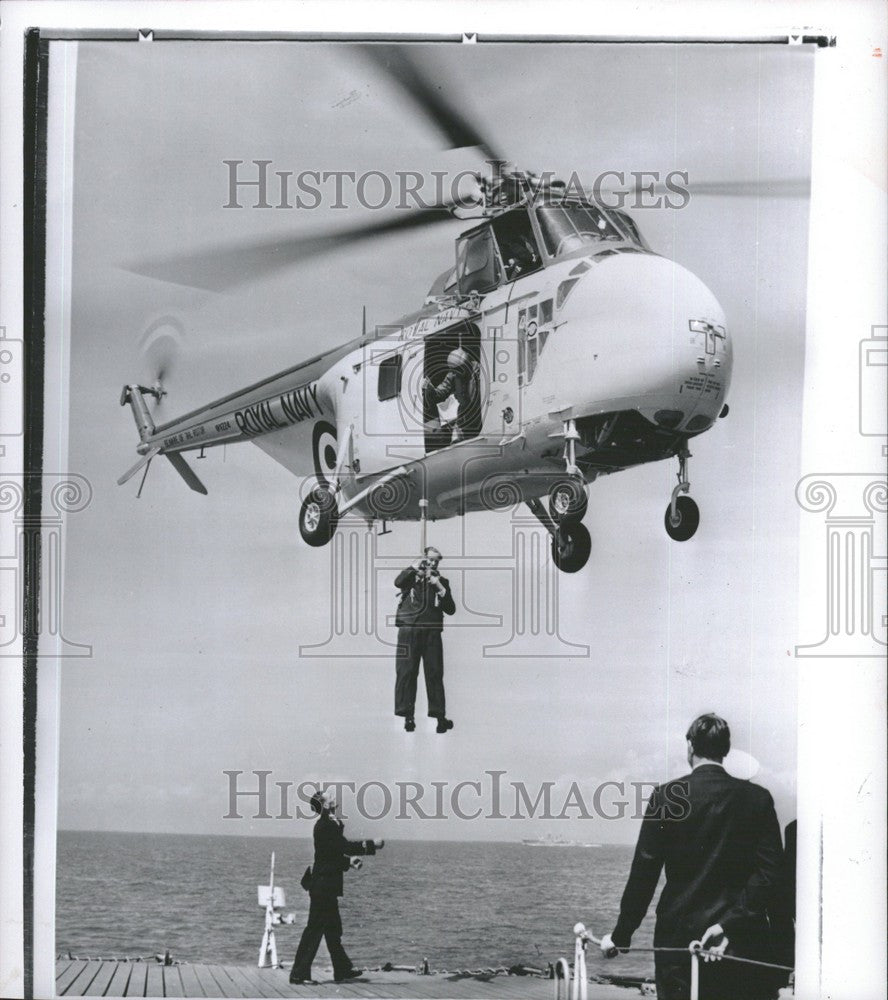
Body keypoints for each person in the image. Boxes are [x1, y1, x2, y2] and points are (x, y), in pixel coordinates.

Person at [600, 714, 784, 1000]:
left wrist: (621, 935)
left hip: (679, 943)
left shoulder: (667, 797)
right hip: (741, 942)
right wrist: (728, 925)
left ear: (690, 746)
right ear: (726, 750)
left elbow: (644, 874)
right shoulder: (758, 799)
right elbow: (770, 875)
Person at [289, 789, 385, 985]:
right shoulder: (326, 826)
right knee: (314, 931)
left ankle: (342, 970)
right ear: (325, 805)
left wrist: (347, 862)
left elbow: (330, 856)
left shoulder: (328, 825)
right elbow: (344, 848)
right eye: (329, 797)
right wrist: (371, 845)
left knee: (333, 929)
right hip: (323, 887)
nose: (333, 797)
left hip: (324, 886)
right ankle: (299, 974)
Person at [394, 546, 456, 733]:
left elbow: (451, 609)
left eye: (436, 561)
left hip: (432, 631)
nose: (433, 563)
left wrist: (440, 587)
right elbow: (398, 582)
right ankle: (408, 716)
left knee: (435, 674)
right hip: (409, 628)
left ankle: (439, 717)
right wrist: (414, 568)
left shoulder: (441, 581)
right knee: (406, 672)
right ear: (424, 559)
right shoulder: (411, 577)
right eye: (430, 559)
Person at [422, 348, 482, 442]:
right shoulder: (453, 375)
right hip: (464, 415)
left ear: (466, 365)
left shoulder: (479, 372)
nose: (454, 372)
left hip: (479, 412)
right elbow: (440, 393)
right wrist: (430, 389)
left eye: (458, 369)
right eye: (453, 370)